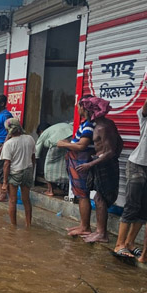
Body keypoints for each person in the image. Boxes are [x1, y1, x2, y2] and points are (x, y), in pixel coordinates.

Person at [75, 97, 123, 244]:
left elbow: (110, 152)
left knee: (100, 199)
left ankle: (102, 234)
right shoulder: (105, 124)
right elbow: (119, 143)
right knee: (98, 198)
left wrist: (90, 164)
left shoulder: (102, 127)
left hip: (104, 165)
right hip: (102, 163)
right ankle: (99, 232)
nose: (82, 111)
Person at [112, 93, 147, 256]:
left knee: (144, 209)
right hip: (137, 164)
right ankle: (119, 244)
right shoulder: (146, 115)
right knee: (132, 206)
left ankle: (129, 242)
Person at [57, 97, 96, 237]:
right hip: (77, 163)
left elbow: (82, 145)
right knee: (81, 195)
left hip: (80, 164)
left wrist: (64, 144)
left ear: (83, 108)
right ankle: (82, 225)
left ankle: (85, 227)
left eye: (79, 106)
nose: (77, 109)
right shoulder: (85, 124)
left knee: (83, 195)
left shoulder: (89, 125)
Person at [0, 118, 36, 227]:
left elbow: (7, 164)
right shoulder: (30, 139)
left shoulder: (9, 144)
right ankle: (28, 224)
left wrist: (5, 182)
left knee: (12, 200)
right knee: (26, 199)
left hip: (15, 173)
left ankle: (13, 226)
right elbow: (33, 157)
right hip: (28, 171)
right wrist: (32, 171)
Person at [35, 122, 73, 196]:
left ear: (41, 131)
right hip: (71, 139)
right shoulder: (57, 127)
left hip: (57, 143)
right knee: (65, 165)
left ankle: (50, 190)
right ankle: (68, 189)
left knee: (48, 167)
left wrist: (35, 159)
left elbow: (37, 148)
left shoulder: (44, 133)